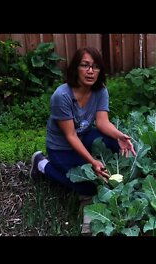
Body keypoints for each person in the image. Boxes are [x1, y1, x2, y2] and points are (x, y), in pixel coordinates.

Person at [29, 47, 137, 196]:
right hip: (61, 147)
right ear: (75, 68)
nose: (91, 71)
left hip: (83, 135)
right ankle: (42, 164)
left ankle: (95, 162)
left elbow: (102, 122)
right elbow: (70, 135)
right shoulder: (61, 96)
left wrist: (119, 136)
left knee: (115, 142)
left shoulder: (100, 91)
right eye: (85, 65)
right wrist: (92, 161)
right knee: (88, 186)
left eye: (96, 66)